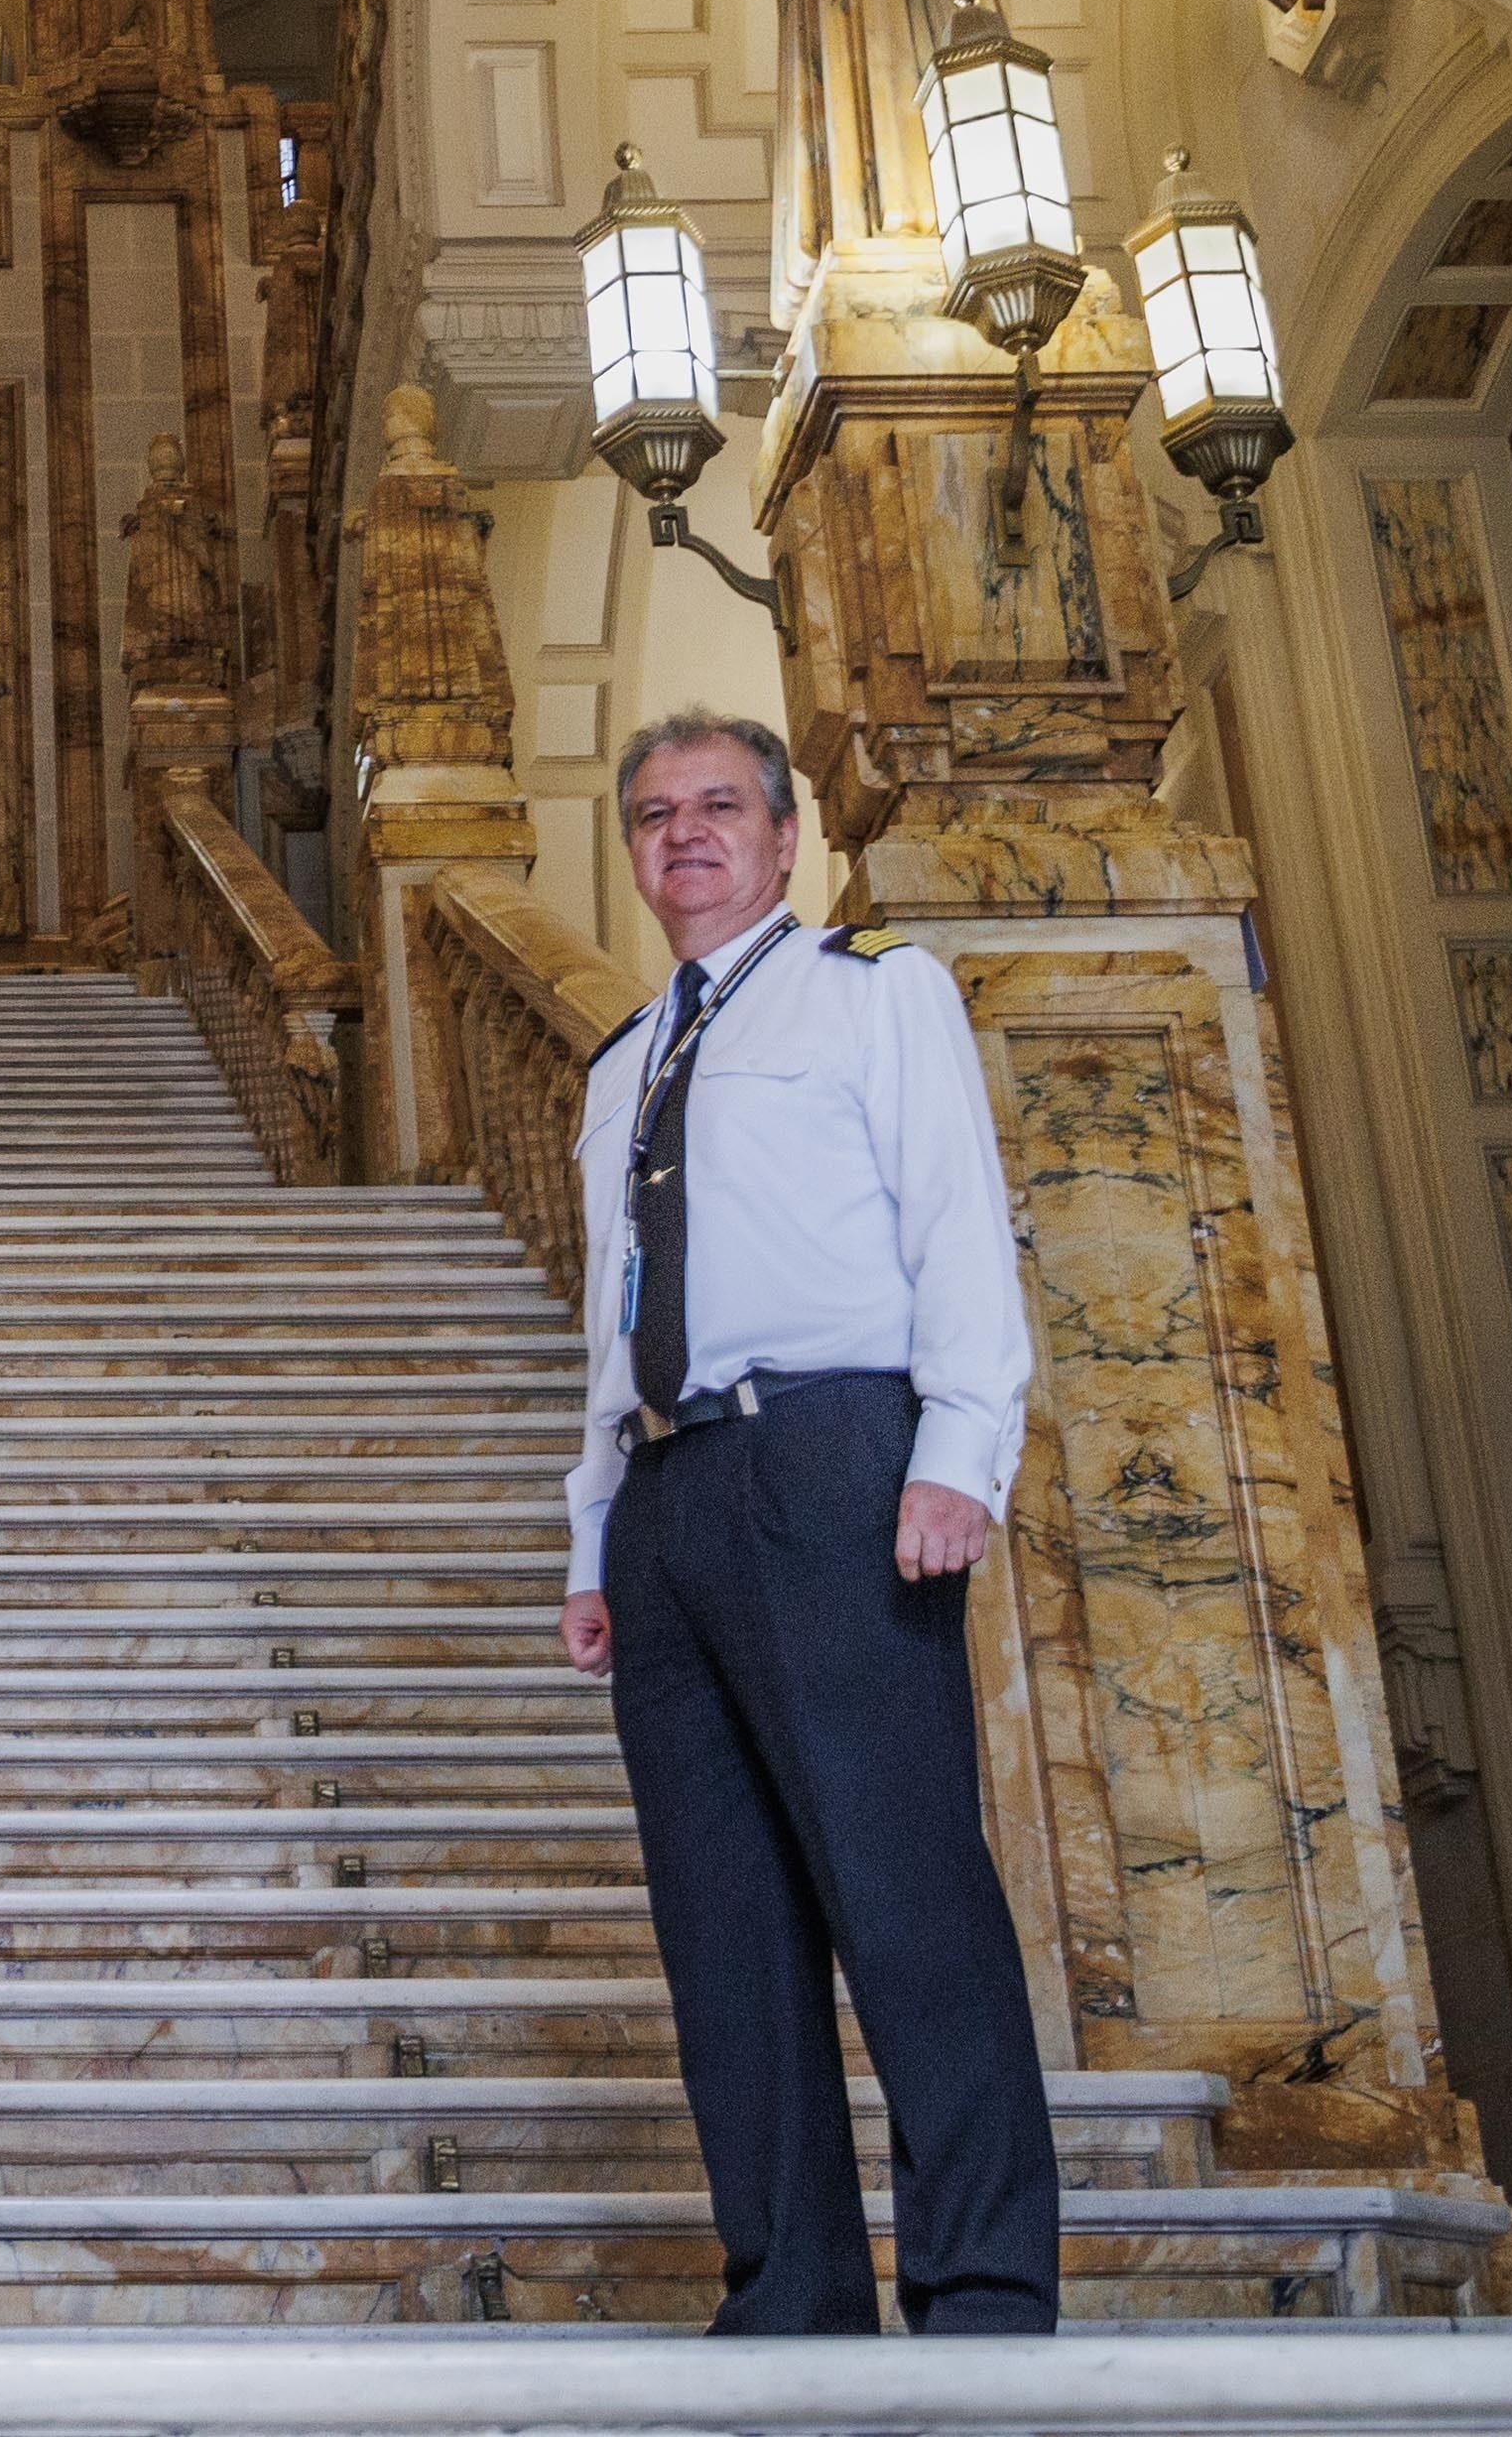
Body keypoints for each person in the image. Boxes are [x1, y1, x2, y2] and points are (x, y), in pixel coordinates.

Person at [557, 707, 1059, 2334]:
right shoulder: (622, 1065)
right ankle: (792, 2297)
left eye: (718, 807)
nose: (685, 833)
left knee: (903, 1892)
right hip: (670, 1492)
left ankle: (983, 2293)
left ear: (784, 839)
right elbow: (610, 1313)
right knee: (724, 1932)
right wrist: (595, 1539)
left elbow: (956, 1223)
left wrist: (960, 1453)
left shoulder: (875, 991)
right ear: (634, 856)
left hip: (836, 1454)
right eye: (654, 816)